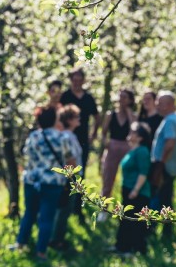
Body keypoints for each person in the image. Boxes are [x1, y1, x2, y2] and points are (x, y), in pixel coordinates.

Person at [13, 107, 74, 260]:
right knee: (47, 218)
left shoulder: (33, 136)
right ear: (55, 119)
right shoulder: (62, 138)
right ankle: (41, 252)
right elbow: (70, 161)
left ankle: (20, 244)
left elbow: (26, 154)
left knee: (29, 213)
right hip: (53, 182)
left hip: (32, 181)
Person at [60, 68, 100, 219]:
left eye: (79, 80)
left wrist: (93, 135)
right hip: (66, 139)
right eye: (74, 80)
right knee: (66, 172)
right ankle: (65, 204)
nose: (76, 83)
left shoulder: (88, 98)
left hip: (82, 140)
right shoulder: (65, 96)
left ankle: (77, 205)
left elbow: (97, 117)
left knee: (80, 173)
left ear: (83, 80)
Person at [151, 91, 176, 237]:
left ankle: (158, 231)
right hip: (172, 166)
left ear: (171, 104)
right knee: (166, 199)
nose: (157, 106)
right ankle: (166, 232)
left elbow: (170, 143)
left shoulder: (170, 120)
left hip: (164, 167)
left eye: (161, 103)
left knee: (161, 199)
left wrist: (160, 165)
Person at [98, 89, 137, 222]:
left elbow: (134, 130)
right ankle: (104, 210)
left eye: (124, 97)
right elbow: (103, 133)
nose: (121, 100)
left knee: (127, 180)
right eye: (120, 97)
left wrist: (129, 114)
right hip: (112, 148)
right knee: (108, 179)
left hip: (127, 148)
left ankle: (124, 210)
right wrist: (105, 143)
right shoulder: (111, 114)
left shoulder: (132, 116)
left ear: (130, 100)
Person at [113, 122, 152, 255]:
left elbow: (143, 173)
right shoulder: (133, 150)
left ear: (140, 137)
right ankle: (121, 246)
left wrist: (135, 190)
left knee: (135, 221)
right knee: (125, 218)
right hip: (128, 189)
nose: (129, 134)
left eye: (133, 133)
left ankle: (134, 249)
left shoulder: (142, 151)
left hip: (138, 193)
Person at [50, 104, 82, 250]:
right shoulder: (66, 137)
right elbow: (69, 159)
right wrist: (73, 178)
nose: (79, 119)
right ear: (69, 120)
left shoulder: (71, 135)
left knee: (64, 208)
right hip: (69, 177)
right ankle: (56, 240)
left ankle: (57, 237)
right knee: (64, 208)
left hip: (72, 176)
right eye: (76, 117)